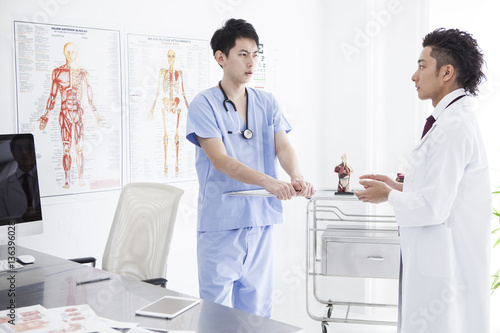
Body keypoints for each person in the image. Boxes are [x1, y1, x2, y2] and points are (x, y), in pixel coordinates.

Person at [354, 28, 490, 333]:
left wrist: (388, 196)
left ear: (447, 73)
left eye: (421, 66)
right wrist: (396, 187)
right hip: (434, 260)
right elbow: (446, 193)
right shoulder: (449, 121)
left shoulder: (454, 126)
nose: (414, 76)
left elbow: (434, 207)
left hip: (445, 268)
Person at [186, 18, 314, 318]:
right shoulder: (203, 105)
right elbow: (220, 160)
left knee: (256, 313)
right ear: (221, 57)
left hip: (260, 221)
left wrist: (296, 176)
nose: (251, 62)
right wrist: (268, 182)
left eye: (255, 54)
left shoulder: (266, 102)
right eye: (243, 54)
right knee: (216, 313)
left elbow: (282, 146)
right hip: (221, 223)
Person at [38, 42, 104, 189]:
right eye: (67, 51)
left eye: (73, 51)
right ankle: (67, 180)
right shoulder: (57, 72)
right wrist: (45, 116)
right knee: (66, 149)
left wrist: (98, 116)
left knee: (79, 149)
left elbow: (90, 97)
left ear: (77, 53)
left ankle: (81, 178)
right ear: (63, 52)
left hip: (79, 114)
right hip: (65, 113)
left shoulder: (83, 72)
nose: (70, 54)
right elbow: (52, 96)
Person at [148, 49, 189, 178]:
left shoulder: (179, 73)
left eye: (173, 56)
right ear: (167, 57)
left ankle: (176, 166)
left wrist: (188, 108)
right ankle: (165, 167)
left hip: (176, 105)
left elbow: (182, 93)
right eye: (169, 56)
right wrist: (152, 108)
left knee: (176, 138)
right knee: (166, 137)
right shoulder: (163, 72)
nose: (171, 58)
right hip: (165, 105)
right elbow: (158, 91)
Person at [0, 134, 42, 224]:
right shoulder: (3, 187)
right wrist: (21, 218)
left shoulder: (46, 179)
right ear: (13, 152)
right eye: (19, 148)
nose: (24, 152)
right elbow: (2, 220)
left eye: (29, 148)